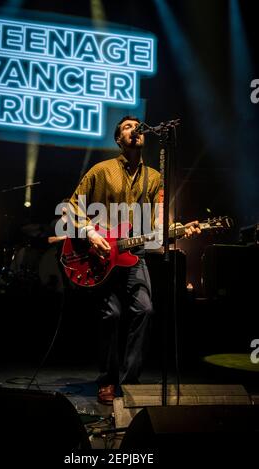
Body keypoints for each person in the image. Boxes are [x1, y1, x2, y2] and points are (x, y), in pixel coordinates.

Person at [67, 115, 201, 405]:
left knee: (145, 310)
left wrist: (175, 231)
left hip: (134, 256)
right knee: (111, 315)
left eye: (137, 127)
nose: (135, 130)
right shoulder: (101, 171)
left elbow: (156, 226)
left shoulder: (154, 178)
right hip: (101, 254)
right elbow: (72, 205)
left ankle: (130, 383)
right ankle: (107, 381)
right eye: (127, 127)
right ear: (118, 138)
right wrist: (90, 233)